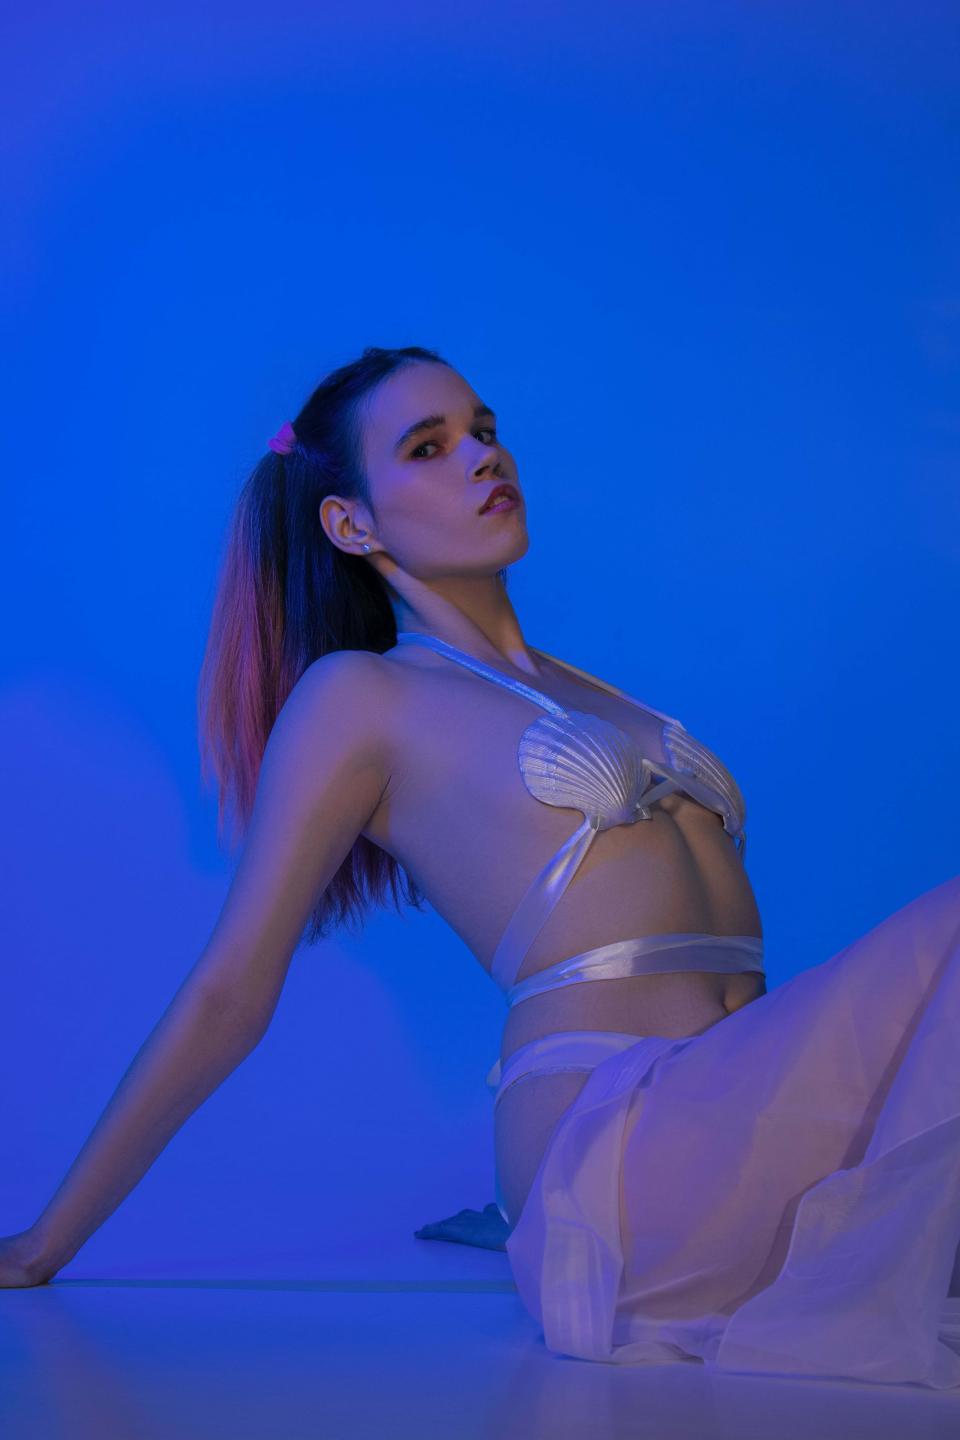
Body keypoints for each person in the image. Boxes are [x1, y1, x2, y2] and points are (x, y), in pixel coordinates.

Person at [2, 346, 959, 1390]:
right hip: (624, 1152)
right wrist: (46, 1241)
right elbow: (231, 992)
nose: (482, 457)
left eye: (484, 430)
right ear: (352, 525)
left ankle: (526, 1216)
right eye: (428, 448)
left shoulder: (594, 691)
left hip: (742, 1129)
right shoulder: (363, 698)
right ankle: (552, 1213)